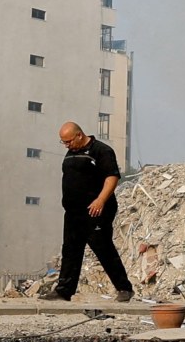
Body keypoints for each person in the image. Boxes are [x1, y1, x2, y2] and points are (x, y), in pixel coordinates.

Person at [42, 121, 135, 302]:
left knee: (102, 247)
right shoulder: (70, 154)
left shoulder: (101, 151)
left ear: (79, 135)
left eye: (69, 141)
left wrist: (100, 200)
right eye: (63, 142)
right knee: (70, 249)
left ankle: (124, 288)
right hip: (73, 212)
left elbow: (112, 177)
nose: (66, 145)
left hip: (96, 210)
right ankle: (64, 291)